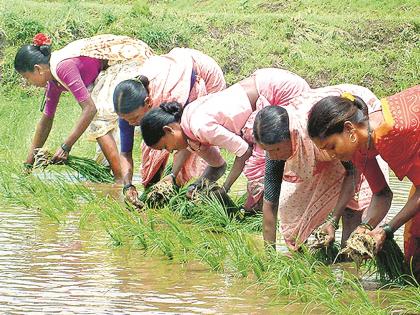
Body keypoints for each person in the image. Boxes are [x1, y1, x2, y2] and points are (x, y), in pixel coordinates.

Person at [140, 68, 310, 210]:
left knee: (263, 165)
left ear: (168, 130)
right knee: (262, 169)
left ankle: (278, 210)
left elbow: (244, 152)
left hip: (279, 90)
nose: (170, 152)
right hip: (265, 84)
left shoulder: (200, 127)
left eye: (164, 147)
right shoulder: (191, 133)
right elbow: (218, 166)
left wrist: (225, 188)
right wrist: (198, 186)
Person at [253, 84, 388, 250]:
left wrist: (333, 219)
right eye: (267, 151)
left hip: (351, 133)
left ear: (292, 136)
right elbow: (270, 202)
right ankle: (320, 253)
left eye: (277, 150)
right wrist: (268, 256)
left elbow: (353, 173)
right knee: (291, 209)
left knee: (352, 209)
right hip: (324, 147)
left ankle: (349, 262)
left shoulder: (316, 133)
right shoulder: (276, 147)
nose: (273, 156)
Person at [307, 85, 419, 280]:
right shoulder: (358, 145)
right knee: (414, 252)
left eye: (332, 146)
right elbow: (381, 193)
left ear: (349, 128)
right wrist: (365, 228)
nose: (332, 155)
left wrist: (386, 230)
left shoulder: (392, 134)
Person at [14, 33, 153, 181]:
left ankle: (120, 180)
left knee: (99, 117)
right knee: (102, 150)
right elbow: (46, 120)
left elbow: (90, 109)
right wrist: (28, 164)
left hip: (127, 60)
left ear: (38, 69)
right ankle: (112, 173)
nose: (28, 82)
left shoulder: (62, 67)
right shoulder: (53, 81)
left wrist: (65, 147)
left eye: (26, 77)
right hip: (108, 70)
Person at [113, 47, 225, 205]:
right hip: (173, 70)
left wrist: (173, 175)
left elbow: (185, 137)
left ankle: (195, 193)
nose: (131, 123)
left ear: (148, 102)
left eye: (135, 119)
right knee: (154, 152)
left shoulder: (173, 96)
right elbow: (125, 153)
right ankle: (160, 192)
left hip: (202, 76)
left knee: (192, 142)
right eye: (127, 120)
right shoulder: (127, 109)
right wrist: (128, 186)